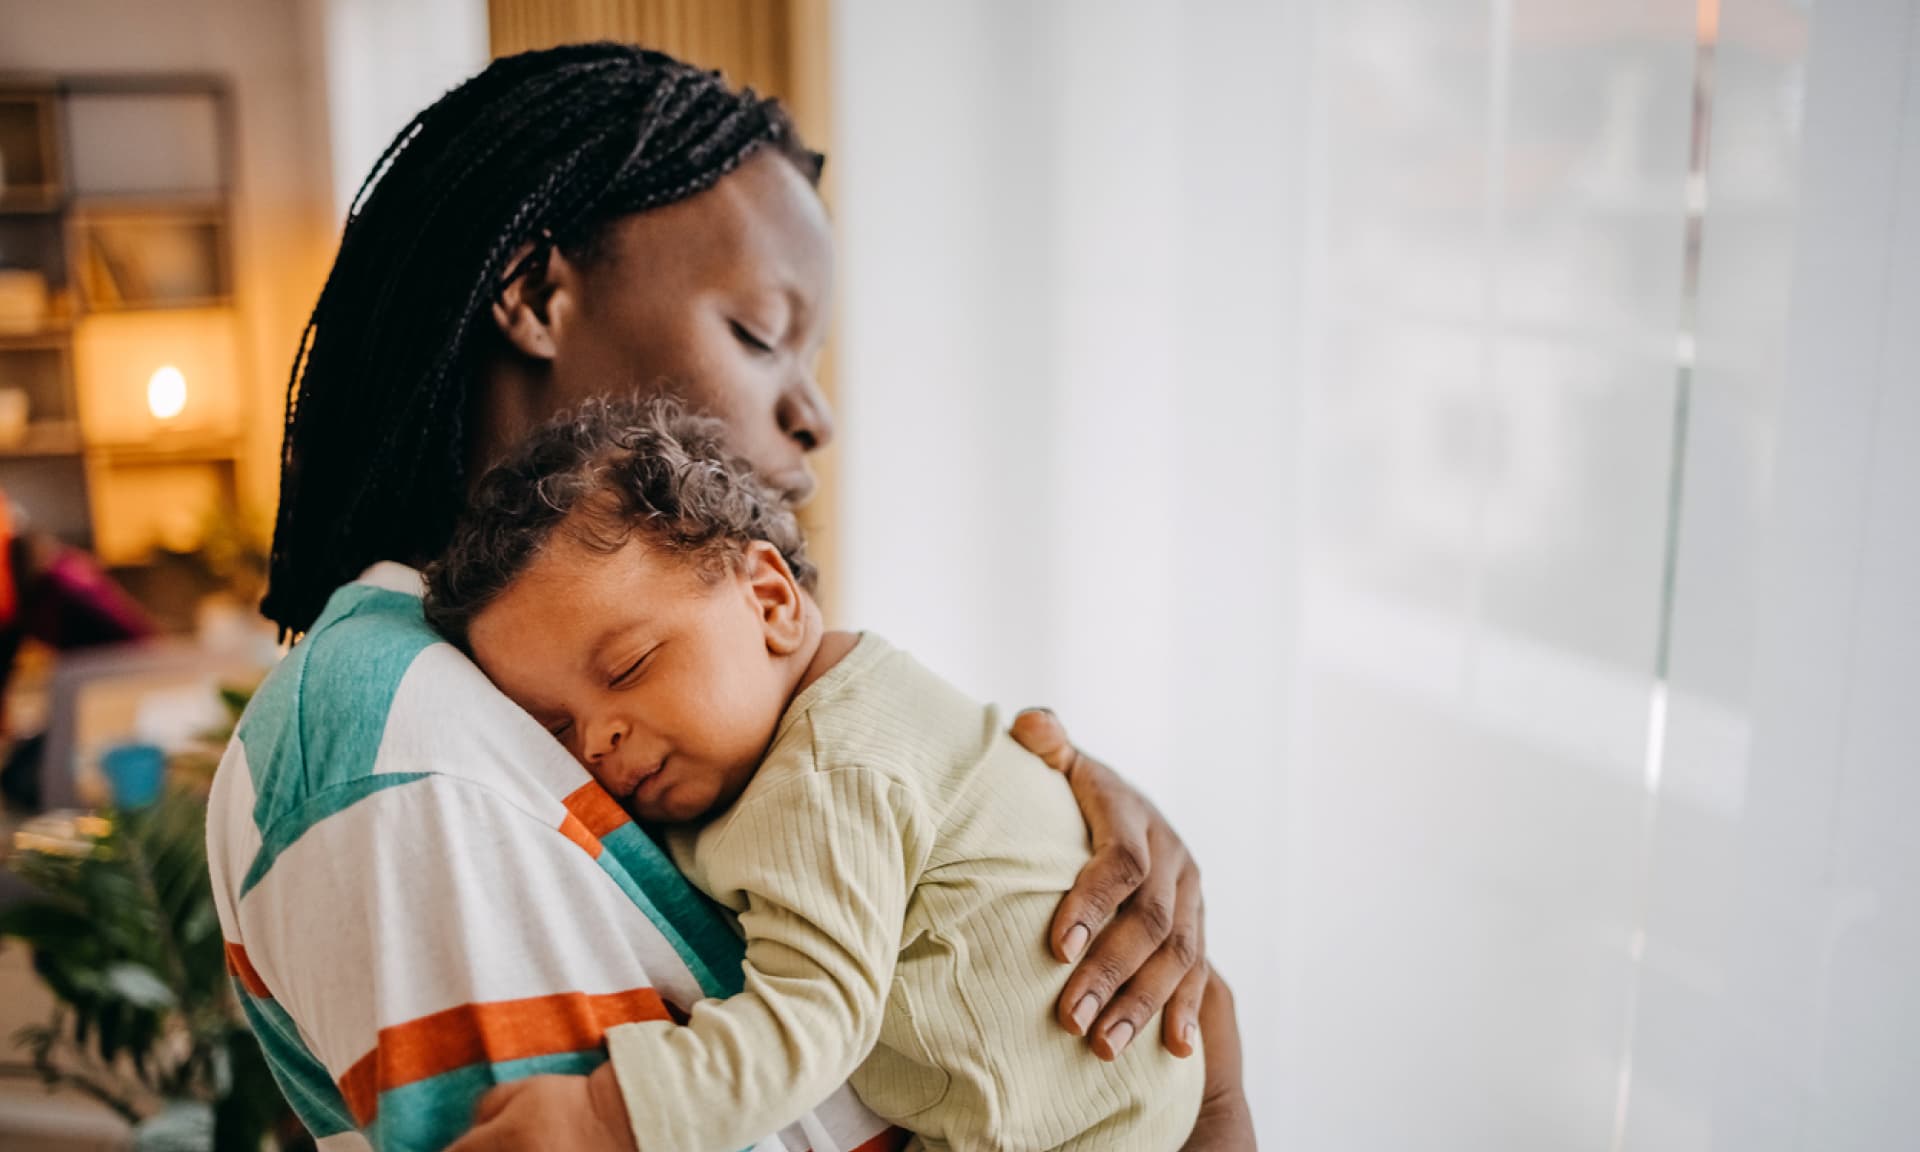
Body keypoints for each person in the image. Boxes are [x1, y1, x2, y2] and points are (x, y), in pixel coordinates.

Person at [206, 42, 1251, 1151]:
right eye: (760, 334)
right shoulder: (396, 736)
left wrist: (1032, 827)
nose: (817, 416)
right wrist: (1215, 1110)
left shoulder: (701, 726)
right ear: (535, 294)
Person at [423, 397, 1206, 1152]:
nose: (596, 741)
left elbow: (812, 1017)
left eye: (628, 666)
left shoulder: (822, 772)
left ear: (770, 602)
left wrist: (606, 1118)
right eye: (554, 728)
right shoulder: (838, 709)